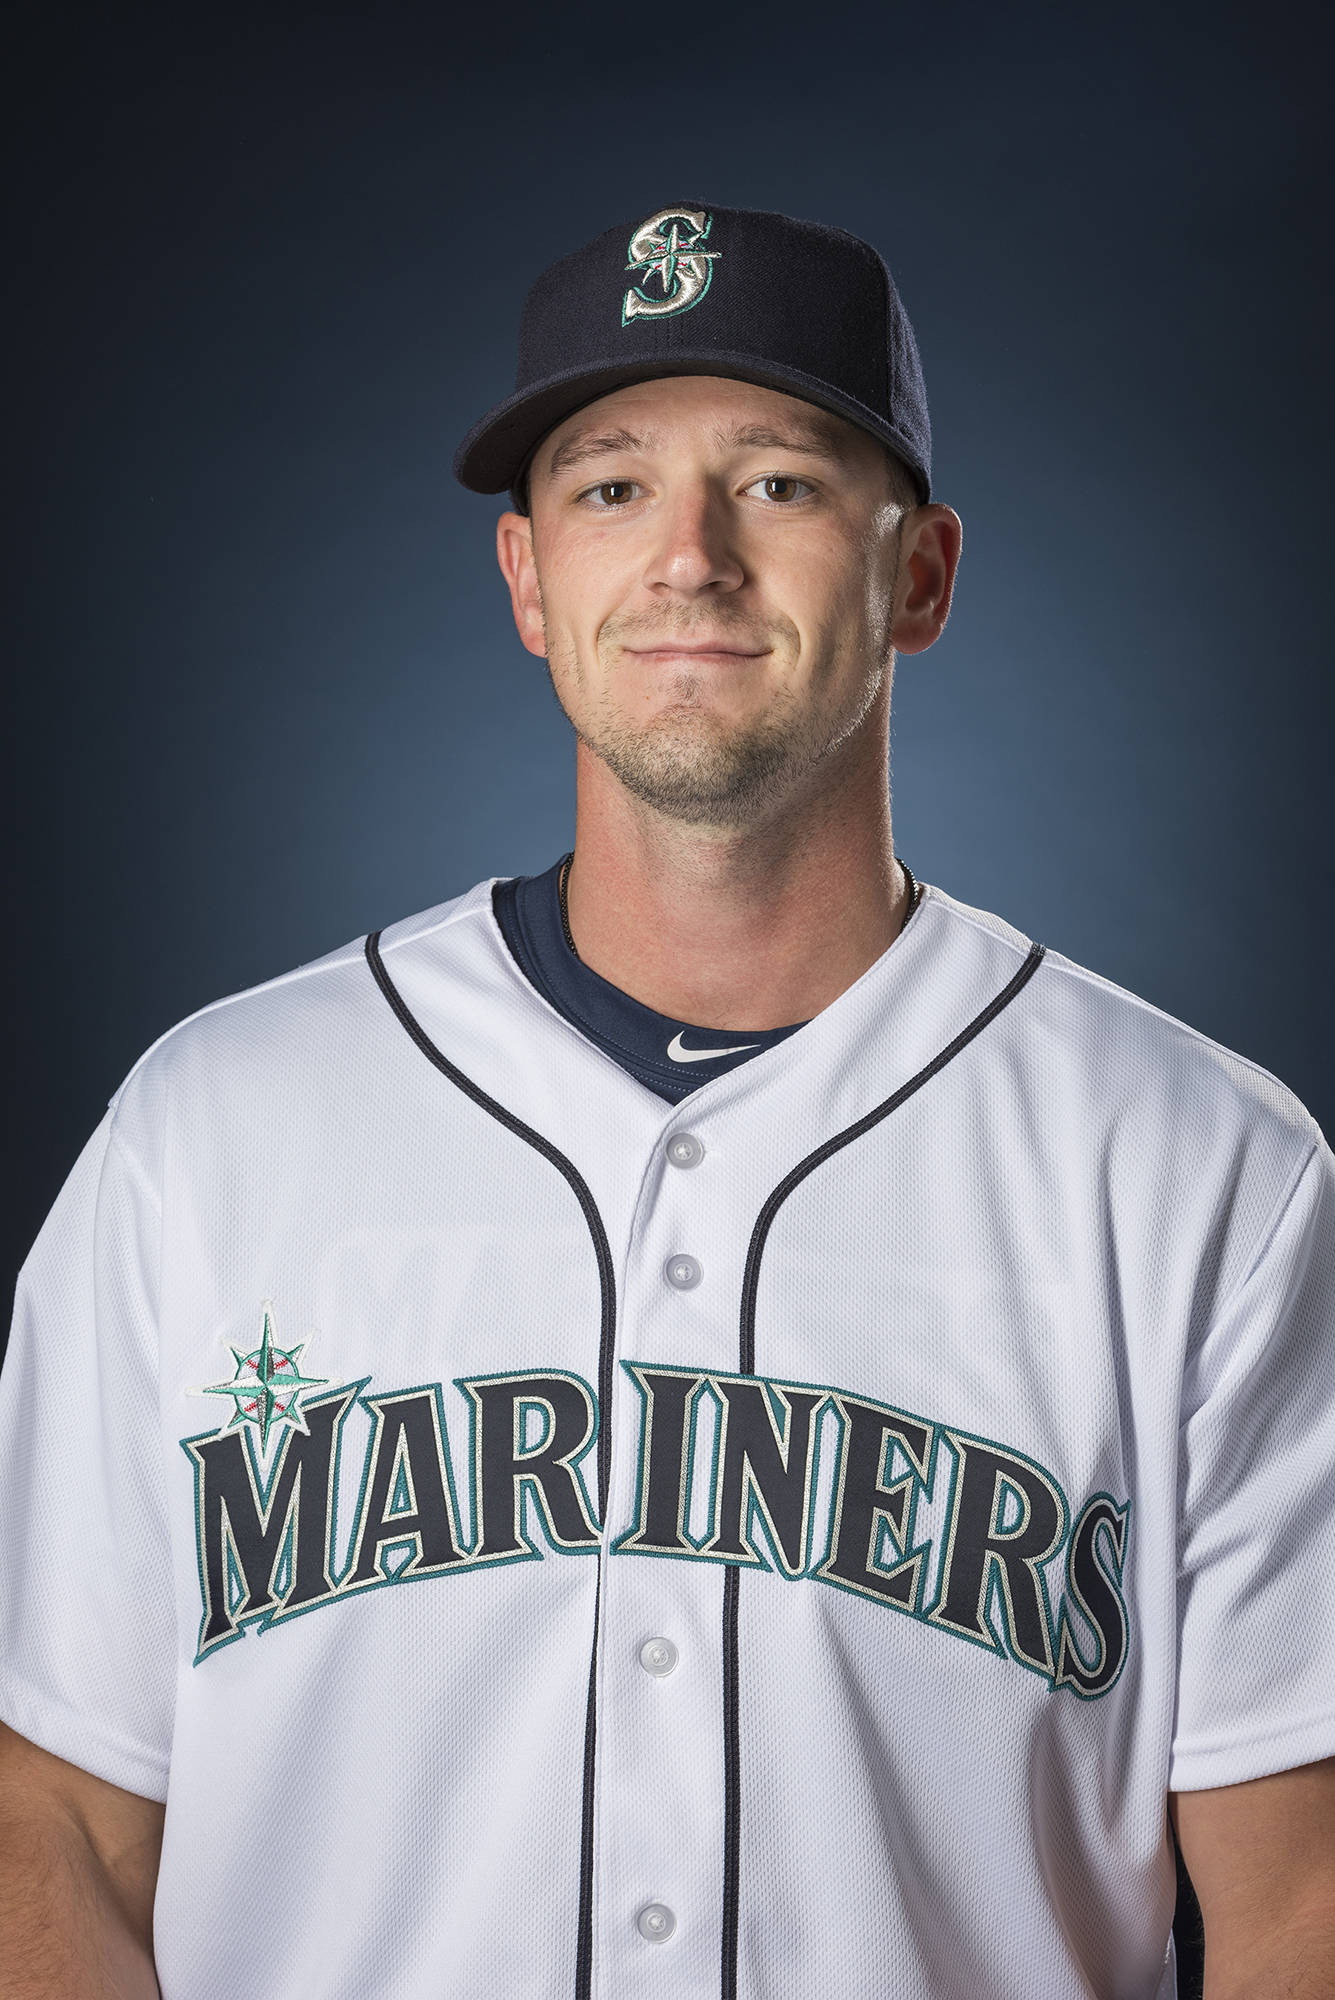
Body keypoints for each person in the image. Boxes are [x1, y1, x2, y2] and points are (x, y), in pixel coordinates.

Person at [1, 200, 1332, 2000]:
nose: (690, 558)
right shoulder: (206, 1134)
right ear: (528, 580)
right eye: (612, 487)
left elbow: (1302, 1897)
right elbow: (59, 1830)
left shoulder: (1204, 1174)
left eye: (779, 482)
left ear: (921, 576)